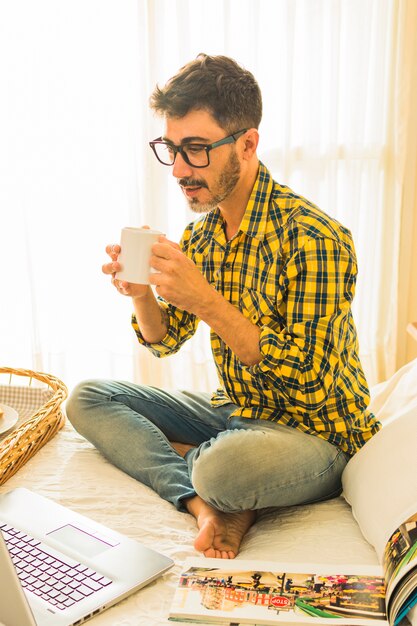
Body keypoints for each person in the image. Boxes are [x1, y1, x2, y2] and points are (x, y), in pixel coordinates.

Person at [66, 53, 381, 560]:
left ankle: (211, 476)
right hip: (236, 411)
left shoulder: (314, 238)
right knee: (88, 398)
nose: (181, 170)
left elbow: (311, 382)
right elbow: (164, 341)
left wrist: (207, 301)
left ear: (247, 144)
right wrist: (144, 293)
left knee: (222, 469)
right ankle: (204, 504)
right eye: (172, 149)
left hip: (316, 432)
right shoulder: (204, 236)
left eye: (196, 150)